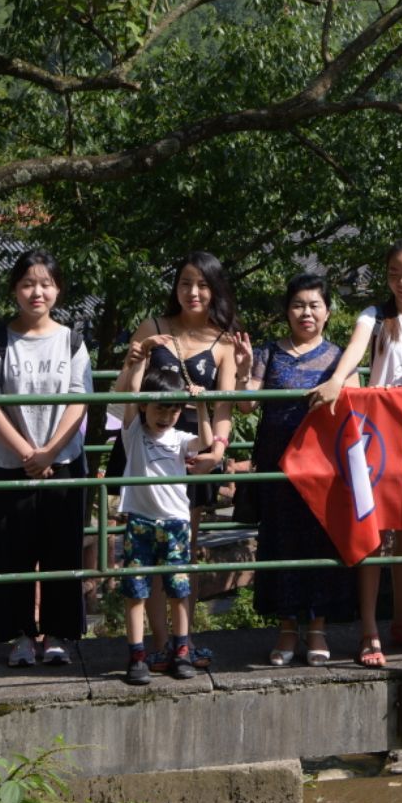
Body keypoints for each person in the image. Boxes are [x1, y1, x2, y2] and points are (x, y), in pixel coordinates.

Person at [311, 237, 402, 666]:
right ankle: (369, 629)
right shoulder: (375, 317)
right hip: (378, 438)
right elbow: (354, 354)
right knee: (373, 538)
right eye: (394, 273)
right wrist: (338, 379)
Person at [121, 251, 242, 674]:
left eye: (203, 285)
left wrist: (218, 452)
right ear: (176, 287)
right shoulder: (153, 328)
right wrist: (137, 358)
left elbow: (225, 403)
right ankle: (154, 645)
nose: (194, 292)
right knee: (146, 552)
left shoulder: (224, 340)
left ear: (215, 290)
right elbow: (123, 391)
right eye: (186, 283)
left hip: (195, 448)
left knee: (182, 550)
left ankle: (181, 644)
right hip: (147, 444)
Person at [0, 249, 91, 668]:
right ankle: (20, 635)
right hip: (12, 463)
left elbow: (80, 399)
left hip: (63, 463)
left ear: (58, 289)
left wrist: (50, 452)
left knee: (63, 550)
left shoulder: (73, 340)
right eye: (27, 284)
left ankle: (59, 633)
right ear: (14, 290)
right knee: (13, 552)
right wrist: (29, 453)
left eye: (45, 283)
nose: (36, 292)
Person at [236, 273, 349, 666]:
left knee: (320, 543)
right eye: (299, 305)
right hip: (276, 466)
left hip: (322, 467)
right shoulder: (268, 353)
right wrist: (243, 369)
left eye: (314, 305)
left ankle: (317, 629)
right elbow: (246, 406)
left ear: (328, 312)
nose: (306, 312)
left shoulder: (338, 358)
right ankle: (286, 631)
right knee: (279, 544)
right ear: (287, 311)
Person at [111, 360, 221, 684]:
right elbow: (132, 393)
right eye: (160, 409)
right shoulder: (133, 434)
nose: (165, 416)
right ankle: (137, 655)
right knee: (136, 590)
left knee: (179, 589)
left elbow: (205, 441)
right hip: (140, 522)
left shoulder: (179, 439)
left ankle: (181, 652)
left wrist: (201, 407)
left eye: (173, 410)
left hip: (175, 523)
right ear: (145, 406)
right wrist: (138, 361)